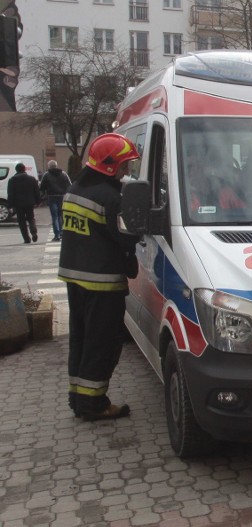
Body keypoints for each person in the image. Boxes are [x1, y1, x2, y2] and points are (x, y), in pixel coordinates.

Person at [58, 132, 141, 421]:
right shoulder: (109, 198)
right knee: (102, 344)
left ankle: (78, 399)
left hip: (75, 280)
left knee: (81, 341)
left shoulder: (75, 190)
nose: (127, 171)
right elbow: (126, 240)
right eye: (124, 165)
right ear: (110, 165)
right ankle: (95, 405)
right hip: (102, 284)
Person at [6, 162, 40, 244]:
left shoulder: (12, 180)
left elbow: (10, 194)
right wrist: (38, 201)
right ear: (24, 169)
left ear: (16, 170)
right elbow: (36, 192)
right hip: (29, 202)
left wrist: (10, 205)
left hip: (18, 204)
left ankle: (26, 238)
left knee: (21, 222)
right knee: (31, 218)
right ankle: (34, 231)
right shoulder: (32, 179)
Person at [39, 160, 73, 241]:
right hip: (62, 196)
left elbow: (42, 187)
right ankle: (61, 232)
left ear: (49, 166)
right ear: (56, 166)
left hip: (52, 196)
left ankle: (57, 234)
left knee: (54, 216)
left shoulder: (46, 175)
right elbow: (70, 185)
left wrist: (42, 196)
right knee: (61, 215)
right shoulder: (64, 174)